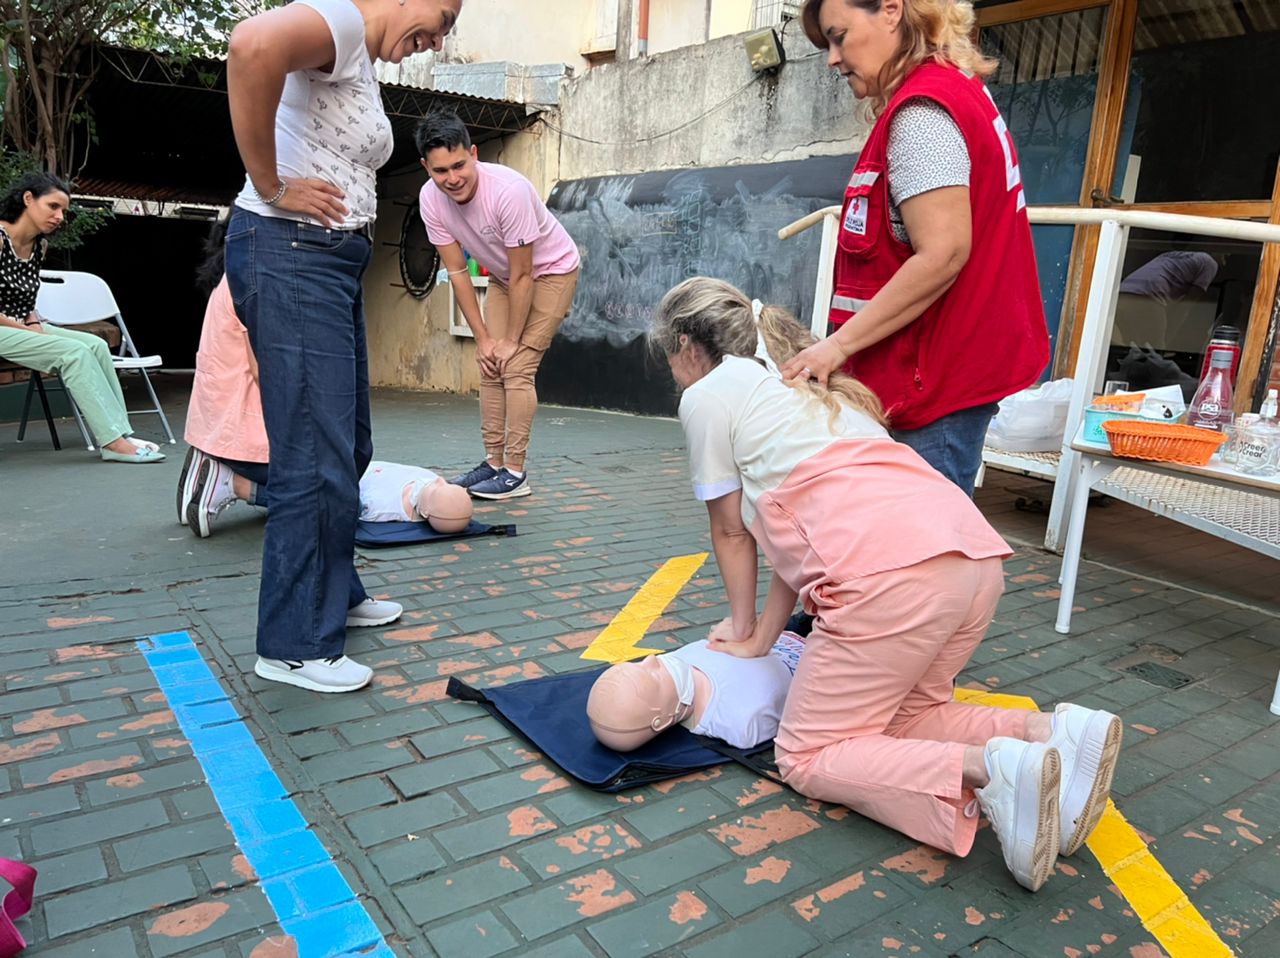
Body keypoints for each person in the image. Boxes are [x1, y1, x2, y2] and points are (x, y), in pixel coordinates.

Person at [652, 276, 1122, 892]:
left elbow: (732, 531)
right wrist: (763, 636)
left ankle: (992, 770)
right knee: (905, 716)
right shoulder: (811, 387)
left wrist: (741, 631)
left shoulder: (709, 393)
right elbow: (786, 546)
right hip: (972, 559)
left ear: (686, 346)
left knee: (806, 755)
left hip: (886, 579)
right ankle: (1051, 734)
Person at [224, 0, 461, 694]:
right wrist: (271, 185)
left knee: (348, 446)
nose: (438, 38)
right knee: (313, 454)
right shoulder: (344, 20)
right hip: (291, 252)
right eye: (442, 16)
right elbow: (251, 46)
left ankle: (335, 594)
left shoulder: (354, 50)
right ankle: (294, 643)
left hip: (324, 262)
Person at [783, 0, 1049, 497]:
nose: (833, 59)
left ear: (891, 10)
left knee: (918, 540)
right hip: (936, 378)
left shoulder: (922, 113)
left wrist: (836, 347)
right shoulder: (954, 91)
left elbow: (942, 254)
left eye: (839, 36)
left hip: (931, 389)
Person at [417, 112, 581, 500]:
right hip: (506, 278)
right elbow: (457, 272)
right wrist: (485, 340)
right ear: (426, 167)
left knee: (517, 365)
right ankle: (493, 463)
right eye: (441, 171)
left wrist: (510, 341)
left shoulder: (510, 191)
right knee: (490, 363)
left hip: (551, 272)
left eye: (459, 165)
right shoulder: (430, 199)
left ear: (473, 154)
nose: (452, 178)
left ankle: (515, 473)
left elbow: (525, 274)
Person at [0, 172, 164, 464]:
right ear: (28, 199)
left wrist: (34, 324)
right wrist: (26, 330)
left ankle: (121, 433)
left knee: (96, 346)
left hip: (21, 326)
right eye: (53, 206)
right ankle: (112, 442)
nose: (59, 217)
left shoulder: (39, 246)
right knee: (74, 353)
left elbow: (26, 299)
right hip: (4, 328)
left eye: (63, 210)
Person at [587, 630, 805, 752]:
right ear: (660, 721)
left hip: (786, 629)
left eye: (638, 664)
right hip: (817, 652)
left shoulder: (677, 660)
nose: (651, 659)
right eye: (653, 677)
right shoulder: (740, 721)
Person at [359, 460, 474, 532]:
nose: (440, 480)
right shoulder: (430, 478)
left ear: (425, 512)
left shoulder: (377, 507)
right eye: (446, 484)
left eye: (435, 490)